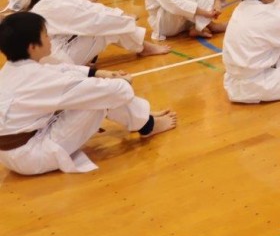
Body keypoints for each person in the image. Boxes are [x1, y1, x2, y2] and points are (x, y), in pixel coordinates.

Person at [0, 11, 176, 175]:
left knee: (96, 89)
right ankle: (147, 125)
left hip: (11, 154)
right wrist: (122, 81)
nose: (50, 39)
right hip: (32, 155)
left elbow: (59, 70)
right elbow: (113, 92)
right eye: (46, 35)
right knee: (101, 96)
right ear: (32, 47)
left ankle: (144, 117)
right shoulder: (39, 77)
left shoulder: (10, 69)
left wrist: (97, 73)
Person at [28, 0, 169, 65]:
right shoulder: (54, 3)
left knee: (110, 22)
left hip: (59, 49)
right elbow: (94, 21)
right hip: (57, 59)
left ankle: (143, 47)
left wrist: (120, 14)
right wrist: (124, 19)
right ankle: (144, 48)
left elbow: (88, 8)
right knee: (106, 30)